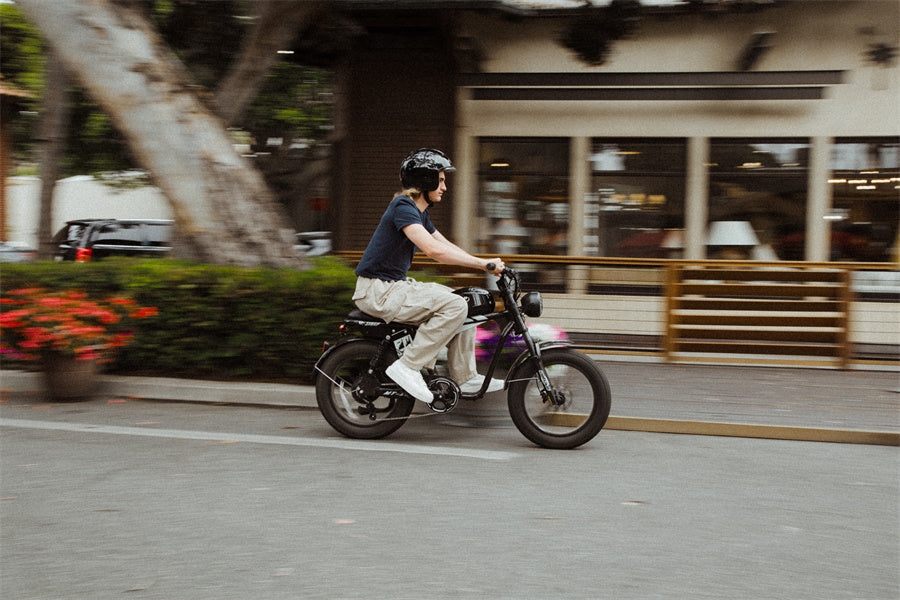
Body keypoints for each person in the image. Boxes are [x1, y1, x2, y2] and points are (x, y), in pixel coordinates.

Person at [353, 148, 505, 407]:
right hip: (378, 291)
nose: (445, 186)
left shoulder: (419, 212)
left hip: (393, 287)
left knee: (463, 299)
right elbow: (434, 251)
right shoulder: (403, 206)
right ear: (425, 180)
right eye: (441, 179)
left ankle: (464, 376)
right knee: (456, 305)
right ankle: (408, 366)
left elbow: (446, 245)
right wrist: (482, 264)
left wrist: (483, 264)